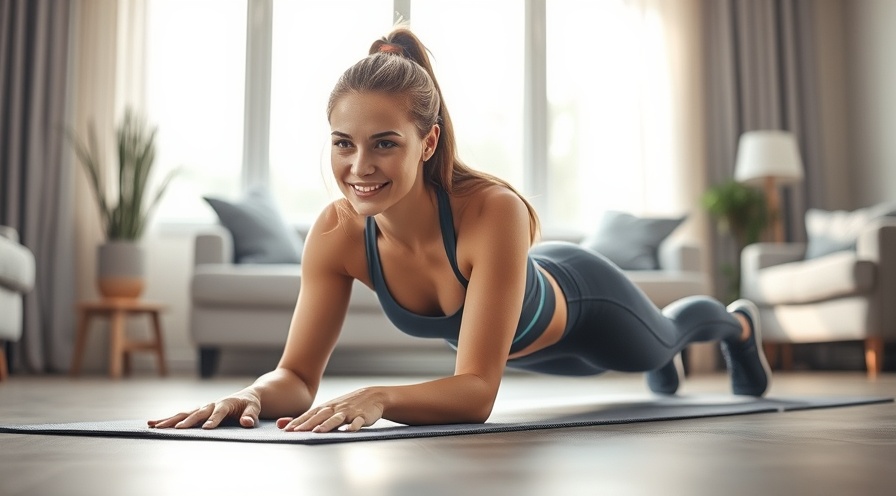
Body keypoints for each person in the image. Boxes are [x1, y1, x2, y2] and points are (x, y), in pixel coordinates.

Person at [148, 27, 771, 434]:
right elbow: (297, 377)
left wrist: (380, 397)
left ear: (428, 143)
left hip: (585, 306)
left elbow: (476, 395)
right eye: (343, 144)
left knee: (662, 341)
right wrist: (254, 394)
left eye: (384, 144)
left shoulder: (490, 211)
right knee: (606, 377)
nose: (359, 168)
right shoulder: (337, 234)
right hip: (537, 357)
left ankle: (737, 326)